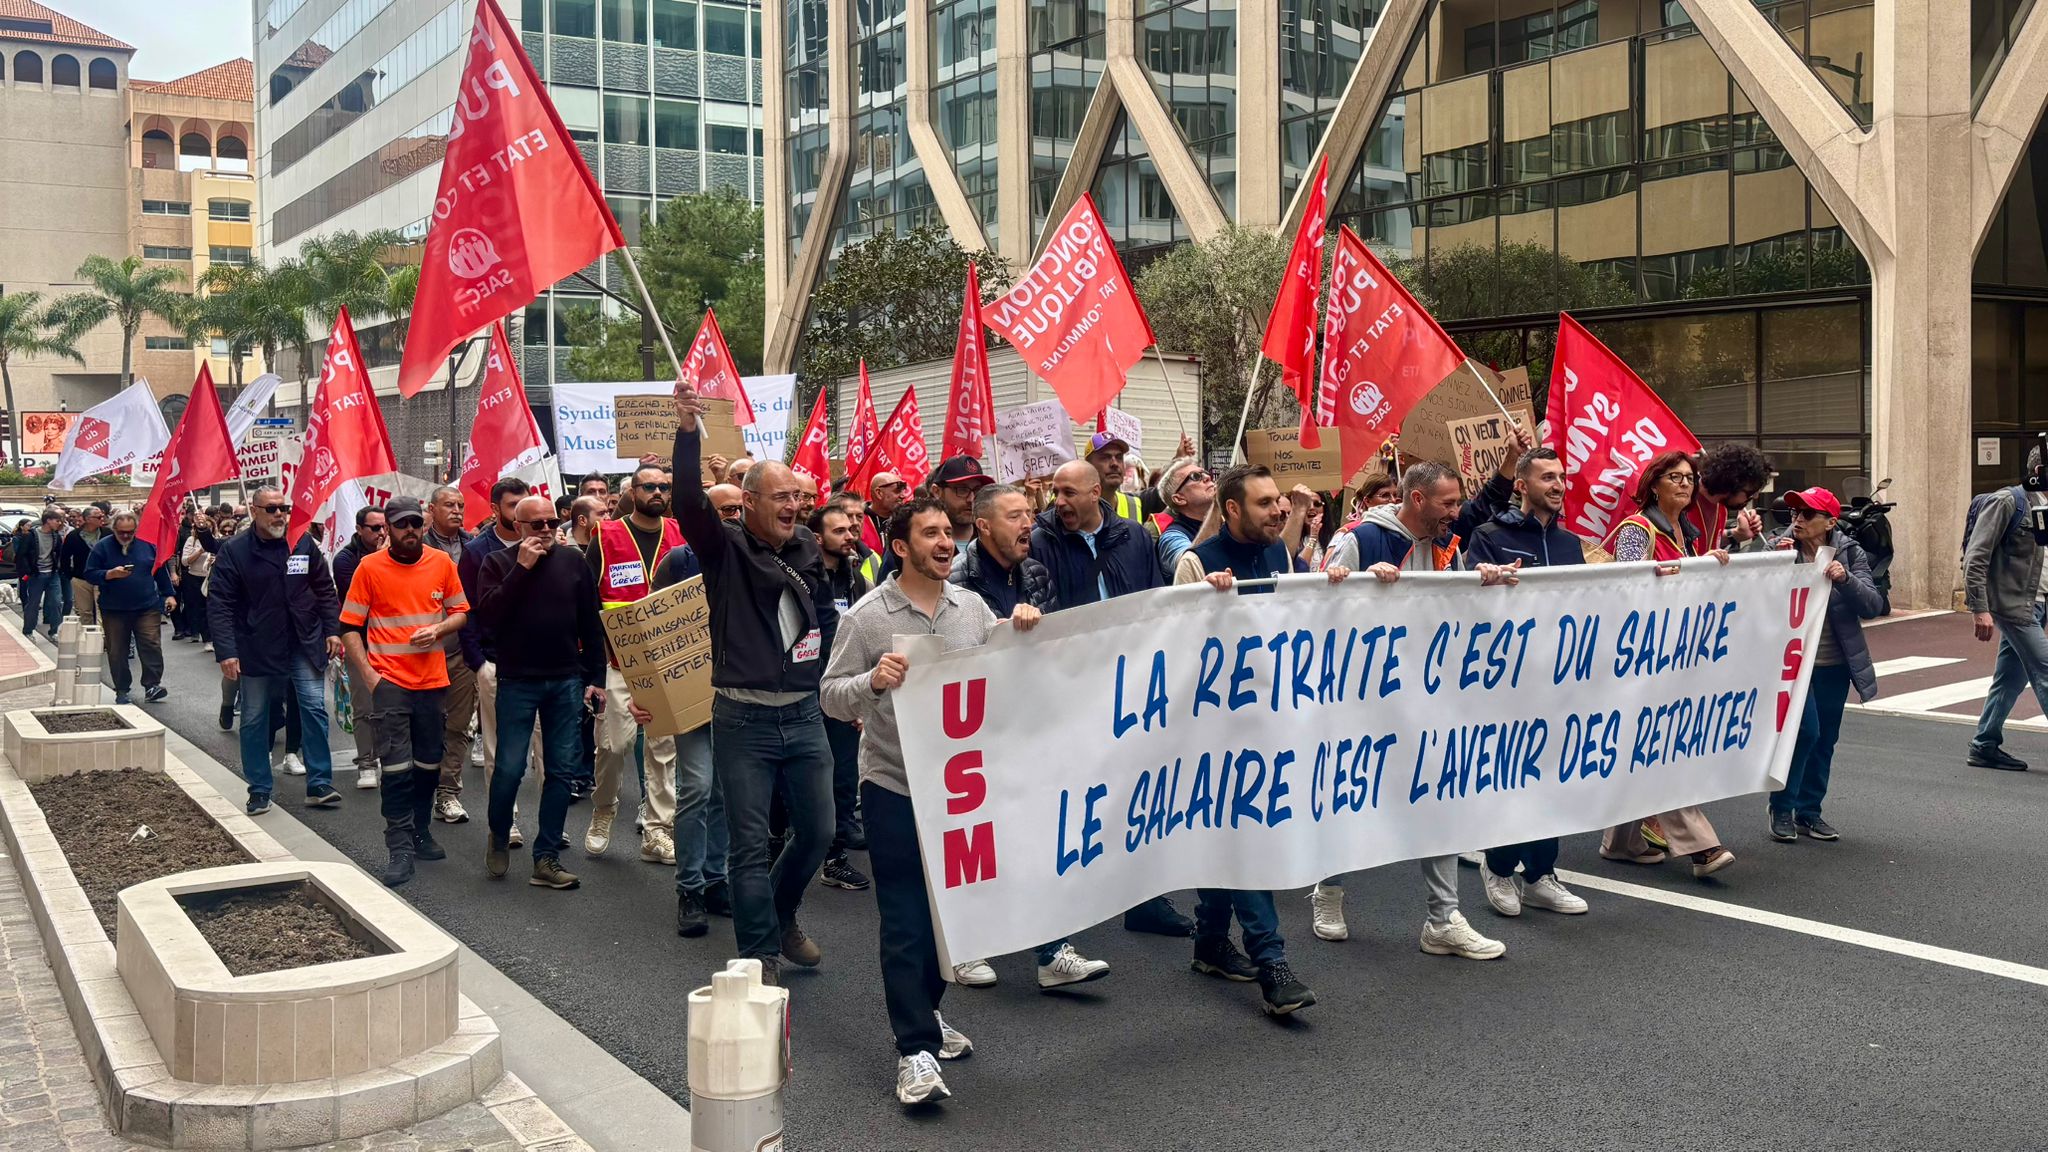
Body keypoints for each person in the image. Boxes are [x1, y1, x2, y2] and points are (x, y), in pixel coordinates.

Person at [821, 498, 1045, 1104]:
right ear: (900, 547)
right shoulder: (867, 617)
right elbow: (830, 698)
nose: (947, 542)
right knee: (905, 921)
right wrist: (871, 682)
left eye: (951, 532)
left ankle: (926, 1009)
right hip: (894, 787)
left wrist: (1022, 623)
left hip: (963, 793)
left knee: (954, 919)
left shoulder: (971, 608)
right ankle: (914, 1050)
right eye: (931, 533)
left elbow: (1007, 664)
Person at [1306, 461, 1519, 956]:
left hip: (1429, 695)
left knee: (1439, 797)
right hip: (1360, 699)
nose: (1457, 511)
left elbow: (1459, 610)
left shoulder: (1449, 544)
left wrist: (1480, 582)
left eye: (1458, 501)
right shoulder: (1360, 538)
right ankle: (1328, 891)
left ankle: (1443, 920)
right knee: (1346, 795)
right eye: (1448, 502)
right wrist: (1357, 588)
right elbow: (1314, 605)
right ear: (1417, 499)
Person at [672, 381, 838, 983]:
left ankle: (781, 910)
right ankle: (759, 952)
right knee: (747, 843)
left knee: (818, 831)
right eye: (781, 497)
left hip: (802, 713)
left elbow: (817, 617)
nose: (794, 505)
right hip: (742, 719)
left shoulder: (808, 548)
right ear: (749, 501)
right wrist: (688, 434)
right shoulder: (725, 549)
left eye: (799, 495)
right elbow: (689, 503)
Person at [1171, 465, 1343, 1015]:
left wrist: (1349, 588)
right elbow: (1173, 644)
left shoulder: (1280, 556)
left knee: (1232, 834)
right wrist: (1203, 603)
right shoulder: (1196, 562)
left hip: (1267, 722)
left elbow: (1300, 616)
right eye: (1266, 503)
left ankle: (1211, 942)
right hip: (1214, 728)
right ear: (1232, 510)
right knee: (1246, 837)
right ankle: (1272, 963)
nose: (1280, 510)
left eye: (1281, 502)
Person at [947, 483, 1112, 990]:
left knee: (1040, 833)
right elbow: (949, 653)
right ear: (983, 526)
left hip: (1027, 718)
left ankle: (1050, 950)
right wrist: (1000, 630)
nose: (1028, 523)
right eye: (1016, 515)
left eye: (1029, 513)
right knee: (976, 838)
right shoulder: (956, 580)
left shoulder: (1035, 573)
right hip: (972, 727)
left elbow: (1053, 644)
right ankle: (967, 943)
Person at [1030, 459, 1192, 939]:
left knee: (1138, 783)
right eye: (1055, 493)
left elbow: (1156, 599)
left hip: (1133, 681)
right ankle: (1066, 894)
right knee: (1076, 788)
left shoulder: (1134, 537)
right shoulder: (1042, 542)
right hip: (1074, 685)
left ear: (1095, 492)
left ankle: (1143, 897)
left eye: (1069, 493)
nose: (1059, 502)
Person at [1463, 447, 1592, 917]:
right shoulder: (1488, 535)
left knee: (1552, 777)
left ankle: (1540, 875)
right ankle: (1498, 866)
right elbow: (1471, 606)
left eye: (1562, 478)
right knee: (1512, 775)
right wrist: (1487, 581)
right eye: (1547, 478)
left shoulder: (1569, 544)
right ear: (1521, 485)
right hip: (1506, 684)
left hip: (1558, 679)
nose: (1558, 485)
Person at [1600, 450, 1738, 878]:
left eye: (1689, 478)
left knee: (1642, 749)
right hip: (1636, 657)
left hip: (1673, 655)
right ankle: (1701, 845)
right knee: (1663, 747)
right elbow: (1621, 586)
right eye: (1674, 477)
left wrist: (1708, 567)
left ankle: (1621, 841)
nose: (1684, 484)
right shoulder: (1636, 529)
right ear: (1653, 485)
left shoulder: (1691, 534)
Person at [471, 495, 606, 890]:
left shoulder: (572, 562)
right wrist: (522, 569)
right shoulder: (497, 563)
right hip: (517, 680)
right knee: (510, 769)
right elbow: (489, 618)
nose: (547, 530)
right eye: (537, 525)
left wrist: (594, 676)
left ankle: (545, 857)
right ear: (518, 526)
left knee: (561, 769)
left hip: (564, 679)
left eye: (551, 523)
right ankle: (499, 831)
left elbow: (590, 622)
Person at [338, 496, 470, 887]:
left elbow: (461, 612)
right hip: (390, 683)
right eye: (400, 524)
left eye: (415, 523)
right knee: (396, 767)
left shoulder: (441, 563)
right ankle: (398, 846)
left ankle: (420, 830)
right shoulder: (369, 567)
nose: (409, 530)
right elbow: (349, 626)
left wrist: (440, 629)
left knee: (429, 764)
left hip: (433, 682)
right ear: (388, 529)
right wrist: (370, 675)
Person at [207, 486, 343, 815]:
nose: (280, 514)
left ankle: (320, 782)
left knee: (313, 709)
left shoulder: (302, 542)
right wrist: (227, 651)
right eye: (271, 509)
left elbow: (324, 589)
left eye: (284, 508)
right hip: (257, 646)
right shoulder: (235, 550)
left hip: (303, 641)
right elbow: (220, 603)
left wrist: (332, 630)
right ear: (254, 511)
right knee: (254, 717)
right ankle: (259, 789)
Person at [1765, 487, 1884, 840]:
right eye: (1794, 513)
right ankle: (1782, 807)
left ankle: (1809, 811)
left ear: (1830, 522)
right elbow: (1755, 600)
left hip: (1834, 663)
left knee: (1825, 739)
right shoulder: (1777, 548)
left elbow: (1873, 605)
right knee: (1805, 733)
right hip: (1791, 664)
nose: (1797, 519)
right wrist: (1777, 568)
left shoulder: (1849, 551)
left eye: (1807, 514)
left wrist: (1845, 579)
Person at [587, 463, 685, 864]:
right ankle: (604, 807)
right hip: (619, 659)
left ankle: (658, 831)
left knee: (663, 748)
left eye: (664, 486)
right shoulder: (605, 534)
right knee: (614, 745)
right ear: (632, 490)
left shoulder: (679, 534)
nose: (657, 492)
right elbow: (588, 598)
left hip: (666, 660)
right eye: (649, 486)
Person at [644, 528, 730, 936]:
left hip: (739, 694)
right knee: (697, 786)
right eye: (721, 510)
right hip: (690, 698)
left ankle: (716, 879)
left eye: (734, 511)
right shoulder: (680, 562)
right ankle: (690, 889)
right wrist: (645, 692)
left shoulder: (752, 556)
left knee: (725, 791)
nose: (728, 518)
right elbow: (648, 631)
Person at [458, 477, 539, 837]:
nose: (521, 513)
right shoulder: (477, 552)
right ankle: (505, 821)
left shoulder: (544, 544)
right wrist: (479, 663)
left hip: (541, 663)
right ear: (495, 510)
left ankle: (551, 822)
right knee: (500, 748)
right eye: (512, 506)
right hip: (495, 662)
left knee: (548, 749)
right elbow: (467, 609)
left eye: (526, 504)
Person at [1965, 441, 2048, 770]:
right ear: (2040, 472)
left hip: (2038, 604)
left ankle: (1984, 744)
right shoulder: (2008, 502)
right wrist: (1979, 607)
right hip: (2013, 605)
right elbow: (1976, 557)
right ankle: (1984, 743)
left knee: (2010, 678)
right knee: (2044, 670)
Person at [811, 503, 871, 895]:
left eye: (852, 530)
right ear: (818, 539)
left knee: (844, 775)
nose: (850, 536)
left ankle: (834, 858)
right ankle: (778, 847)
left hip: (844, 693)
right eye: (839, 531)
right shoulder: (803, 580)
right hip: (805, 693)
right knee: (806, 780)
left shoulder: (856, 580)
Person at [422, 487, 479, 826]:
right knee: (425, 725)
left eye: (460, 505)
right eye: (449, 505)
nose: (457, 511)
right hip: (422, 653)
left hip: (463, 651)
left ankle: (448, 794)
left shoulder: (474, 547)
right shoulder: (415, 546)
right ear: (432, 510)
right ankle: (417, 790)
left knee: (458, 726)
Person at [85, 512, 175, 705]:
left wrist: (169, 594)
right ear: (114, 529)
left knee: (151, 644)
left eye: (130, 532)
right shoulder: (103, 547)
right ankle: (122, 689)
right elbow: (89, 573)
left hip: (146, 606)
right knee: (117, 650)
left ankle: (152, 685)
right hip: (114, 608)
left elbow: (160, 571)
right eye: (121, 532)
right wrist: (109, 574)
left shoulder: (148, 546)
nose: (125, 536)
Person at [332, 505, 387, 791]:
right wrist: (381, 559)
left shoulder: (398, 553)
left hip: (392, 643)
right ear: (359, 530)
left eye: (384, 526)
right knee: (364, 705)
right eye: (375, 528)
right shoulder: (344, 560)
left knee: (393, 705)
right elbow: (366, 596)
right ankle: (366, 761)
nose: (382, 532)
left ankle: (390, 758)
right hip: (360, 642)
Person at [1689, 442, 1772, 552]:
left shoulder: (1721, 506)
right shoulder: (1684, 502)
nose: (1755, 497)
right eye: (1750, 492)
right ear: (1731, 484)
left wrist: (1737, 534)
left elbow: (1708, 542)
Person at [1155, 457, 1216, 574]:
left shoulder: (1227, 522)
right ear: (1179, 498)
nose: (1207, 477)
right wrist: (1216, 508)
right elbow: (1190, 565)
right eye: (1195, 476)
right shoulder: (1171, 538)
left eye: (1205, 473)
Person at [931, 456, 994, 554]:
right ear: (937, 492)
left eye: (977, 490)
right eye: (962, 490)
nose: (971, 499)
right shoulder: (921, 544)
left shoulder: (994, 542)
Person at [18, 509, 63, 641]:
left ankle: (54, 631)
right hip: (36, 574)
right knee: (33, 603)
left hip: (52, 573)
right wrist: (29, 571)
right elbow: (22, 555)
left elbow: (59, 553)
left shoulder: (56, 536)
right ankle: (28, 630)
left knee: (56, 601)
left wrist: (59, 567)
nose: (59, 523)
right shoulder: (31, 535)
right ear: (48, 520)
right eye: (57, 520)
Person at [59, 505, 106, 627]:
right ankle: (88, 639)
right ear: (88, 519)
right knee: (85, 612)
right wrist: (70, 575)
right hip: (80, 578)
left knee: (102, 611)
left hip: (102, 577)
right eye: (99, 517)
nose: (102, 518)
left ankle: (103, 641)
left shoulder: (107, 534)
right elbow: (64, 557)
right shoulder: (73, 536)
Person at [178, 511, 219, 650]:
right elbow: (184, 561)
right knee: (198, 608)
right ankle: (205, 637)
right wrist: (200, 551)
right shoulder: (192, 540)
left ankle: (215, 637)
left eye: (209, 527)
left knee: (212, 609)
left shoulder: (217, 540)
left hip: (211, 577)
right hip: (194, 577)